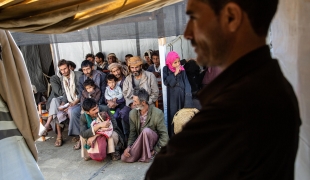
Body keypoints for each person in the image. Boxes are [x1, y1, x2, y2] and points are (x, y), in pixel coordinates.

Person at [145, 0, 301, 179]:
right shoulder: (269, 86)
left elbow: (161, 174)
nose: (188, 33)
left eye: (195, 18)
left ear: (231, 18)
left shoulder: (237, 106)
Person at [121, 88, 168, 163]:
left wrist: (155, 150)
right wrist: (129, 147)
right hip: (141, 143)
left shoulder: (157, 113)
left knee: (146, 131)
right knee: (124, 158)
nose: (133, 104)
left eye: (135, 101)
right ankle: (144, 153)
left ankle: (149, 153)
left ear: (143, 102)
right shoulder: (132, 113)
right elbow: (132, 133)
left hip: (153, 144)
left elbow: (164, 136)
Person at [163, 51, 193, 136]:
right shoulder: (166, 69)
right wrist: (175, 73)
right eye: (175, 62)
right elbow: (166, 82)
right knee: (173, 116)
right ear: (170, 62)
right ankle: (173, 136)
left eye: (178, 61)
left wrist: (188, 98)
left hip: (182, 97)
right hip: (173, 99)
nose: (177, 64)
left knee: (183, 116)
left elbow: (187, 84)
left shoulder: (182, 70)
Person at [57, 59, 83, 149]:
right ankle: (73, 135)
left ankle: (81, 138)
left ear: (69, 67)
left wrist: (75, 102)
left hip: (80, 102)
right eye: (61, 70)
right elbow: (65, 94)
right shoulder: (62, 79)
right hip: (70, 102)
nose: (64, 71)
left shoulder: (78, 75)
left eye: (65, 69)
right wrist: (63, 104)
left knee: (71, 111)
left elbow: (82, 92)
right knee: (60, 113)